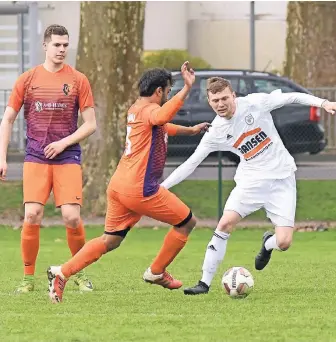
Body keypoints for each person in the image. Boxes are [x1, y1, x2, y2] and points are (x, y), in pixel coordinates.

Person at [160, 77, 336, 295]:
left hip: (282, 179)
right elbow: (191, 163)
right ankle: (204, 283)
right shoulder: (216, 131)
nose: (221, 104)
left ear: (233, 96)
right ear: (210, 102)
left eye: (224, 98)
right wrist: (163, 187)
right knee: (225, 224)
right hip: (251, 181)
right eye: (215, 101)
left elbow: (292, 97)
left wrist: (324, 103)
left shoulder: (255, 103)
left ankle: (268, 243)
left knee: (284, 242)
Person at [46, 62, 211, 303]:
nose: (169, 95)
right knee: (187, 223)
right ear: (158, 92)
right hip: (140, 188)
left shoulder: (137, 108)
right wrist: (187, 88)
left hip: (119, 185)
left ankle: (62, 272)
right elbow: (162, 116)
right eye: (168, 91)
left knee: (109, 240)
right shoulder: (151, 111)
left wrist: (191, 130)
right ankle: (156, 272)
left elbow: (163, 126)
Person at [0, 24, 97, 293]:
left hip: (68, 158)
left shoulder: (78, 80)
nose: (62, 49)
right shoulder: (27, 79)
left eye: (65, 45)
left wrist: (63, 143)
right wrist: (2, 157)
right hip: (35, 157)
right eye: (57, 44)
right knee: (32, 214)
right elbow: (7, 119)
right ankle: (28, 279)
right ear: (45, 45)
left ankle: (78, 273)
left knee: (72, 218)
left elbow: (90, 124)